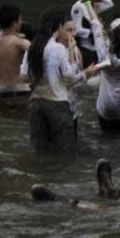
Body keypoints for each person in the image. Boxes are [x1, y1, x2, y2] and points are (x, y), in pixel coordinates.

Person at [27, 11, 103, 153]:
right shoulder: (58, 48)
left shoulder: (33, 47)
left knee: (40, 149)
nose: (72, 34)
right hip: (58, 103)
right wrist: (85, 74)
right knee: (65, 151)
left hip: (36, 102)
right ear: (59, 26)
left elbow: (25, 75)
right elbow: (69, 78)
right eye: (66, 28)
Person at [71, 0, 114, 65]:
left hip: (97, 46)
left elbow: (109, 3)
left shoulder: (94, 5)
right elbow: (77, 29)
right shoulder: (78, 7)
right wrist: (94, 32)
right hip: (86, 47)